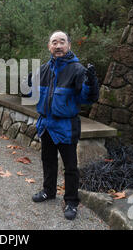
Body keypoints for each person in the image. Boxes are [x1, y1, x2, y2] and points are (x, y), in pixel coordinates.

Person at [31, 30, 99, 220]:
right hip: (46, 125)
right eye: (54, 42)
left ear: (69, 45)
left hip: (66, 127)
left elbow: (87, 98)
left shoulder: (77, 70)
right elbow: (32, 93)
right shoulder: (44, 69)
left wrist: (91, 84)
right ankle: (48, 191)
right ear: (49, 46)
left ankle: (71, 201)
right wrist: (27, 82)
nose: (58, 46)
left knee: (70, 166)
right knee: (48, 161)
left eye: (62, 42)